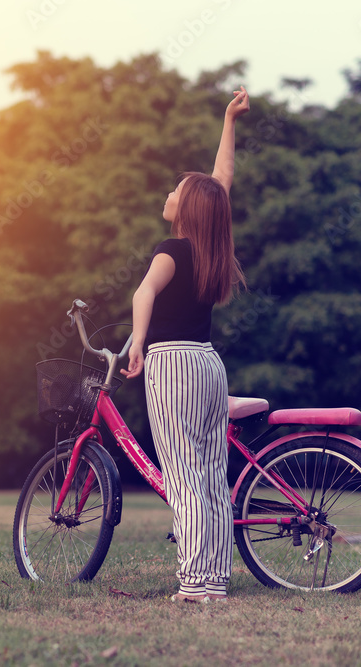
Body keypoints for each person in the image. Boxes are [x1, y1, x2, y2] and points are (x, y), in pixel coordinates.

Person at [120, 86, 250, 603]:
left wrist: (137, 344)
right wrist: (229, 121)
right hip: (208, 365)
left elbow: (143, 290)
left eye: (175, 192)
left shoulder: (172, 249)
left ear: (185, 209)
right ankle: (214, 576)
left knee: (183, 473)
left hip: (171, 364)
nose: (168, 196)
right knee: (211, 475)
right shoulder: (211, 251)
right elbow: (221, 182)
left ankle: (196, 583)